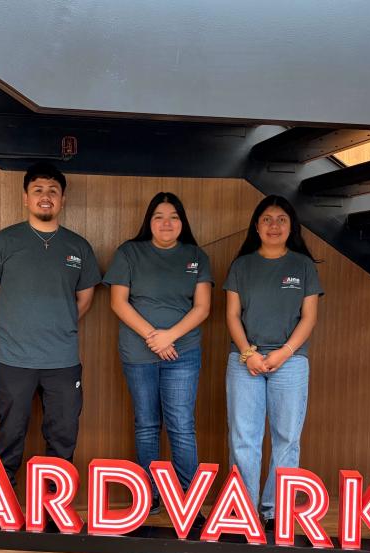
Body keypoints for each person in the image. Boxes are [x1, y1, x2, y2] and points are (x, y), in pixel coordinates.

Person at [0, 162, 101, 486]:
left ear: (63, 200)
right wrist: (11, 327)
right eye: (38, 190)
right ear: (25, 198)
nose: (46, 197)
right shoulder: (4, 241)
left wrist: (59, 323)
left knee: (63, 435)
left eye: (53, 191)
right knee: (10, 434)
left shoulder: (78, 246)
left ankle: (53, 502)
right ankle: (3, 500)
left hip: (63, 361)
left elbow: (85, 300)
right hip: (14, 360)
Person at [104, 192, 212, 515]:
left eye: (174, 217)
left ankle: (188, 498)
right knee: (147, 424)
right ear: (149, 221)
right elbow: (118, 302)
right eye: (159, 217)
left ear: (182, 222)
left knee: (181, 425)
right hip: (139, 353)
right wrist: (154, 337)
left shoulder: (196, 256)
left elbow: (203, 307)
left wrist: (169, 337)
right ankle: (149, 495)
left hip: (183, 352)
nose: (167, 223)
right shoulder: (129, 252)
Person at [223, 195, 322, 531]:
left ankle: (275, 510)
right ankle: (244, 509)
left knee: (287, 437)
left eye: (281, 219)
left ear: (291, 226)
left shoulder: (303, 266)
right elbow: (232, 315)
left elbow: (309, 318)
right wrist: (248, 353)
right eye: (267, 219)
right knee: (243, 438)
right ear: (256, 226)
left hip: (290, 362)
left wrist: (284, 352)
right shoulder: (242, 266)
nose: (274, 225)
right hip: (244, 360)